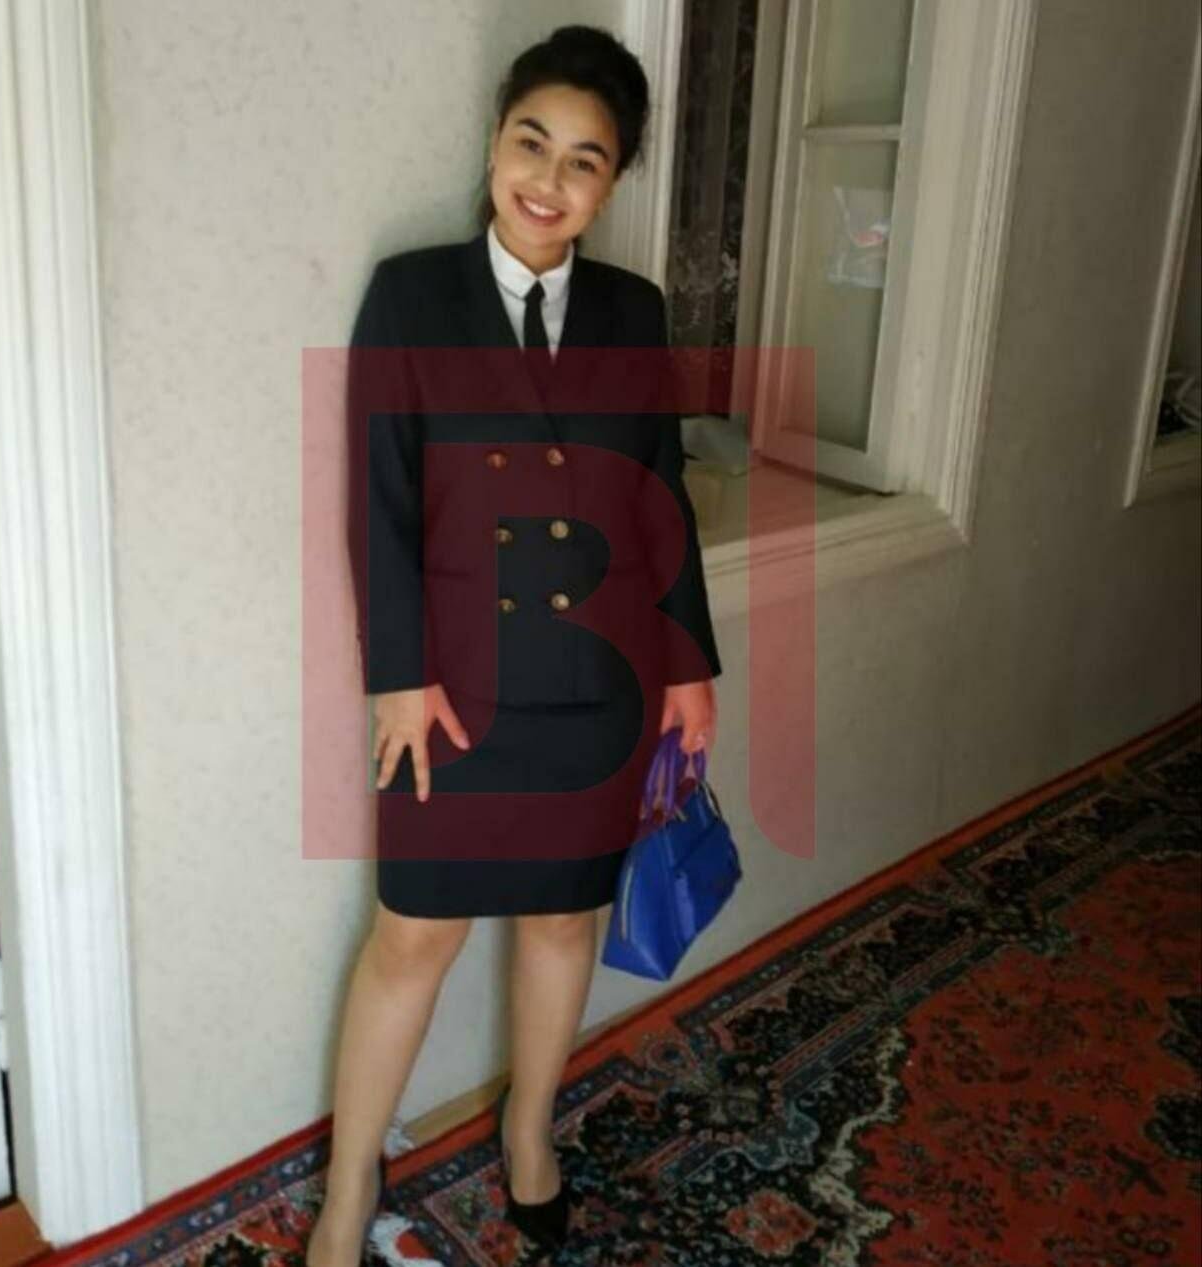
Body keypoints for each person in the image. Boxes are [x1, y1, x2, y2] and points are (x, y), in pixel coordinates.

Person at [306, 25, 722, 1266]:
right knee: (413, 934)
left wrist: (688, 664)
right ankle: (348, 1184)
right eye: (531, 142)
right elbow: (376, 499)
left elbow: (658, 495)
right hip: (447, 689)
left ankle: (528, 1127)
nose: (548, 178)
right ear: (494, 139)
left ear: (612, 181)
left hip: (598, 681)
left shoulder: (633, 313)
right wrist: (395, 676)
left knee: (559, 921)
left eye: (584, 160)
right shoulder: (410, 295)